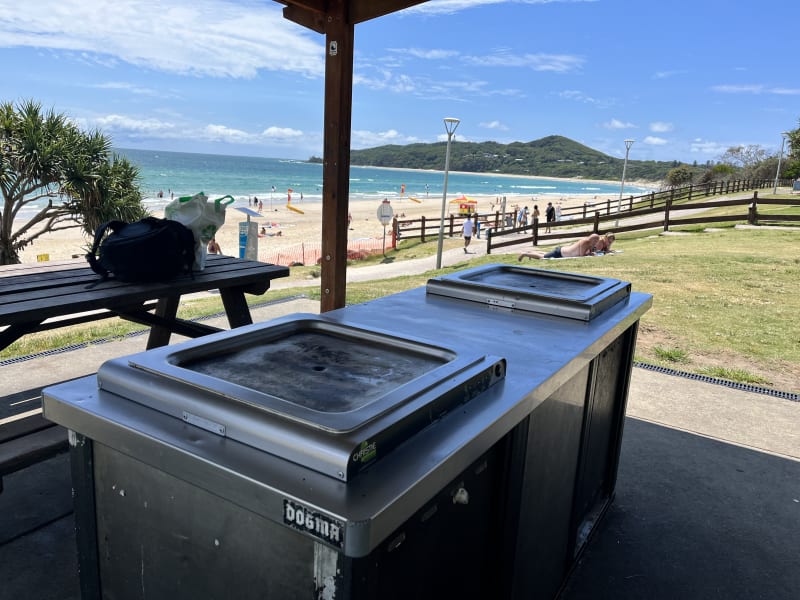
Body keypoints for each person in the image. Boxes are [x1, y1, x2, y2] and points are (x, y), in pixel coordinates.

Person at [517, 233, 602, 261]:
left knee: (545, 254)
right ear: (593, 240)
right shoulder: (585, 242)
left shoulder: (587, 242)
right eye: (596, 241)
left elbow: (584, 252)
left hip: (562, 251)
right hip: (561, 253)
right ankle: (524, 254)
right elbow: (581, 255)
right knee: (542, 257)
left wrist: (591, 251)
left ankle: (529, 253)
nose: (596, 243)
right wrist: (590, 254)